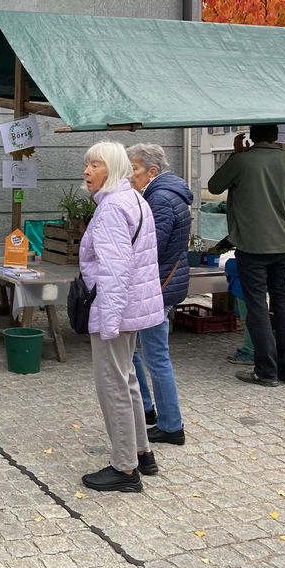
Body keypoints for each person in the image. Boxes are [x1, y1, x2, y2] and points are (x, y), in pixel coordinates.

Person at [79, 141, 165, 493]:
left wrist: (109, 322)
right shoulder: (133, 199)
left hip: (115, 308)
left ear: (112, 169)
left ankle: (124, 467)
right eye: (87, 164)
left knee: (112, 384)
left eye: (95, 165)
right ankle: (141, 453)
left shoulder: (113, 207)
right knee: (127, 378)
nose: (87, 171)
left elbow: (115, 270)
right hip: (132, 307)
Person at [208, 124, 285, 387]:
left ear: (252, 137)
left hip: (250, 246)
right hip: (283, 245)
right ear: (277, 137)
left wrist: (235, 155)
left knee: (257, 307)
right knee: (283, 305)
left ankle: (266, 371)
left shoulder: (242, 161)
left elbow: (214, 186)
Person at [126, 143, 191, 446]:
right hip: (161, 284)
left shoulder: (161, 199)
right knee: (137, 350)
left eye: (134, 170)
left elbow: (151, 247)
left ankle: (170, 425)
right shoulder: (163, 193)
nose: (129, 176)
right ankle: (150, 410)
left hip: (158, 287)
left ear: (152, 171)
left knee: (155, 356)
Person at [224, 255, 254, 365]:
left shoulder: (233, 264)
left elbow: (230, 268)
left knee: (247, 320)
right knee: (251, 320)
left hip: (242, 289)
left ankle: (249, 351)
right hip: (253, 287)